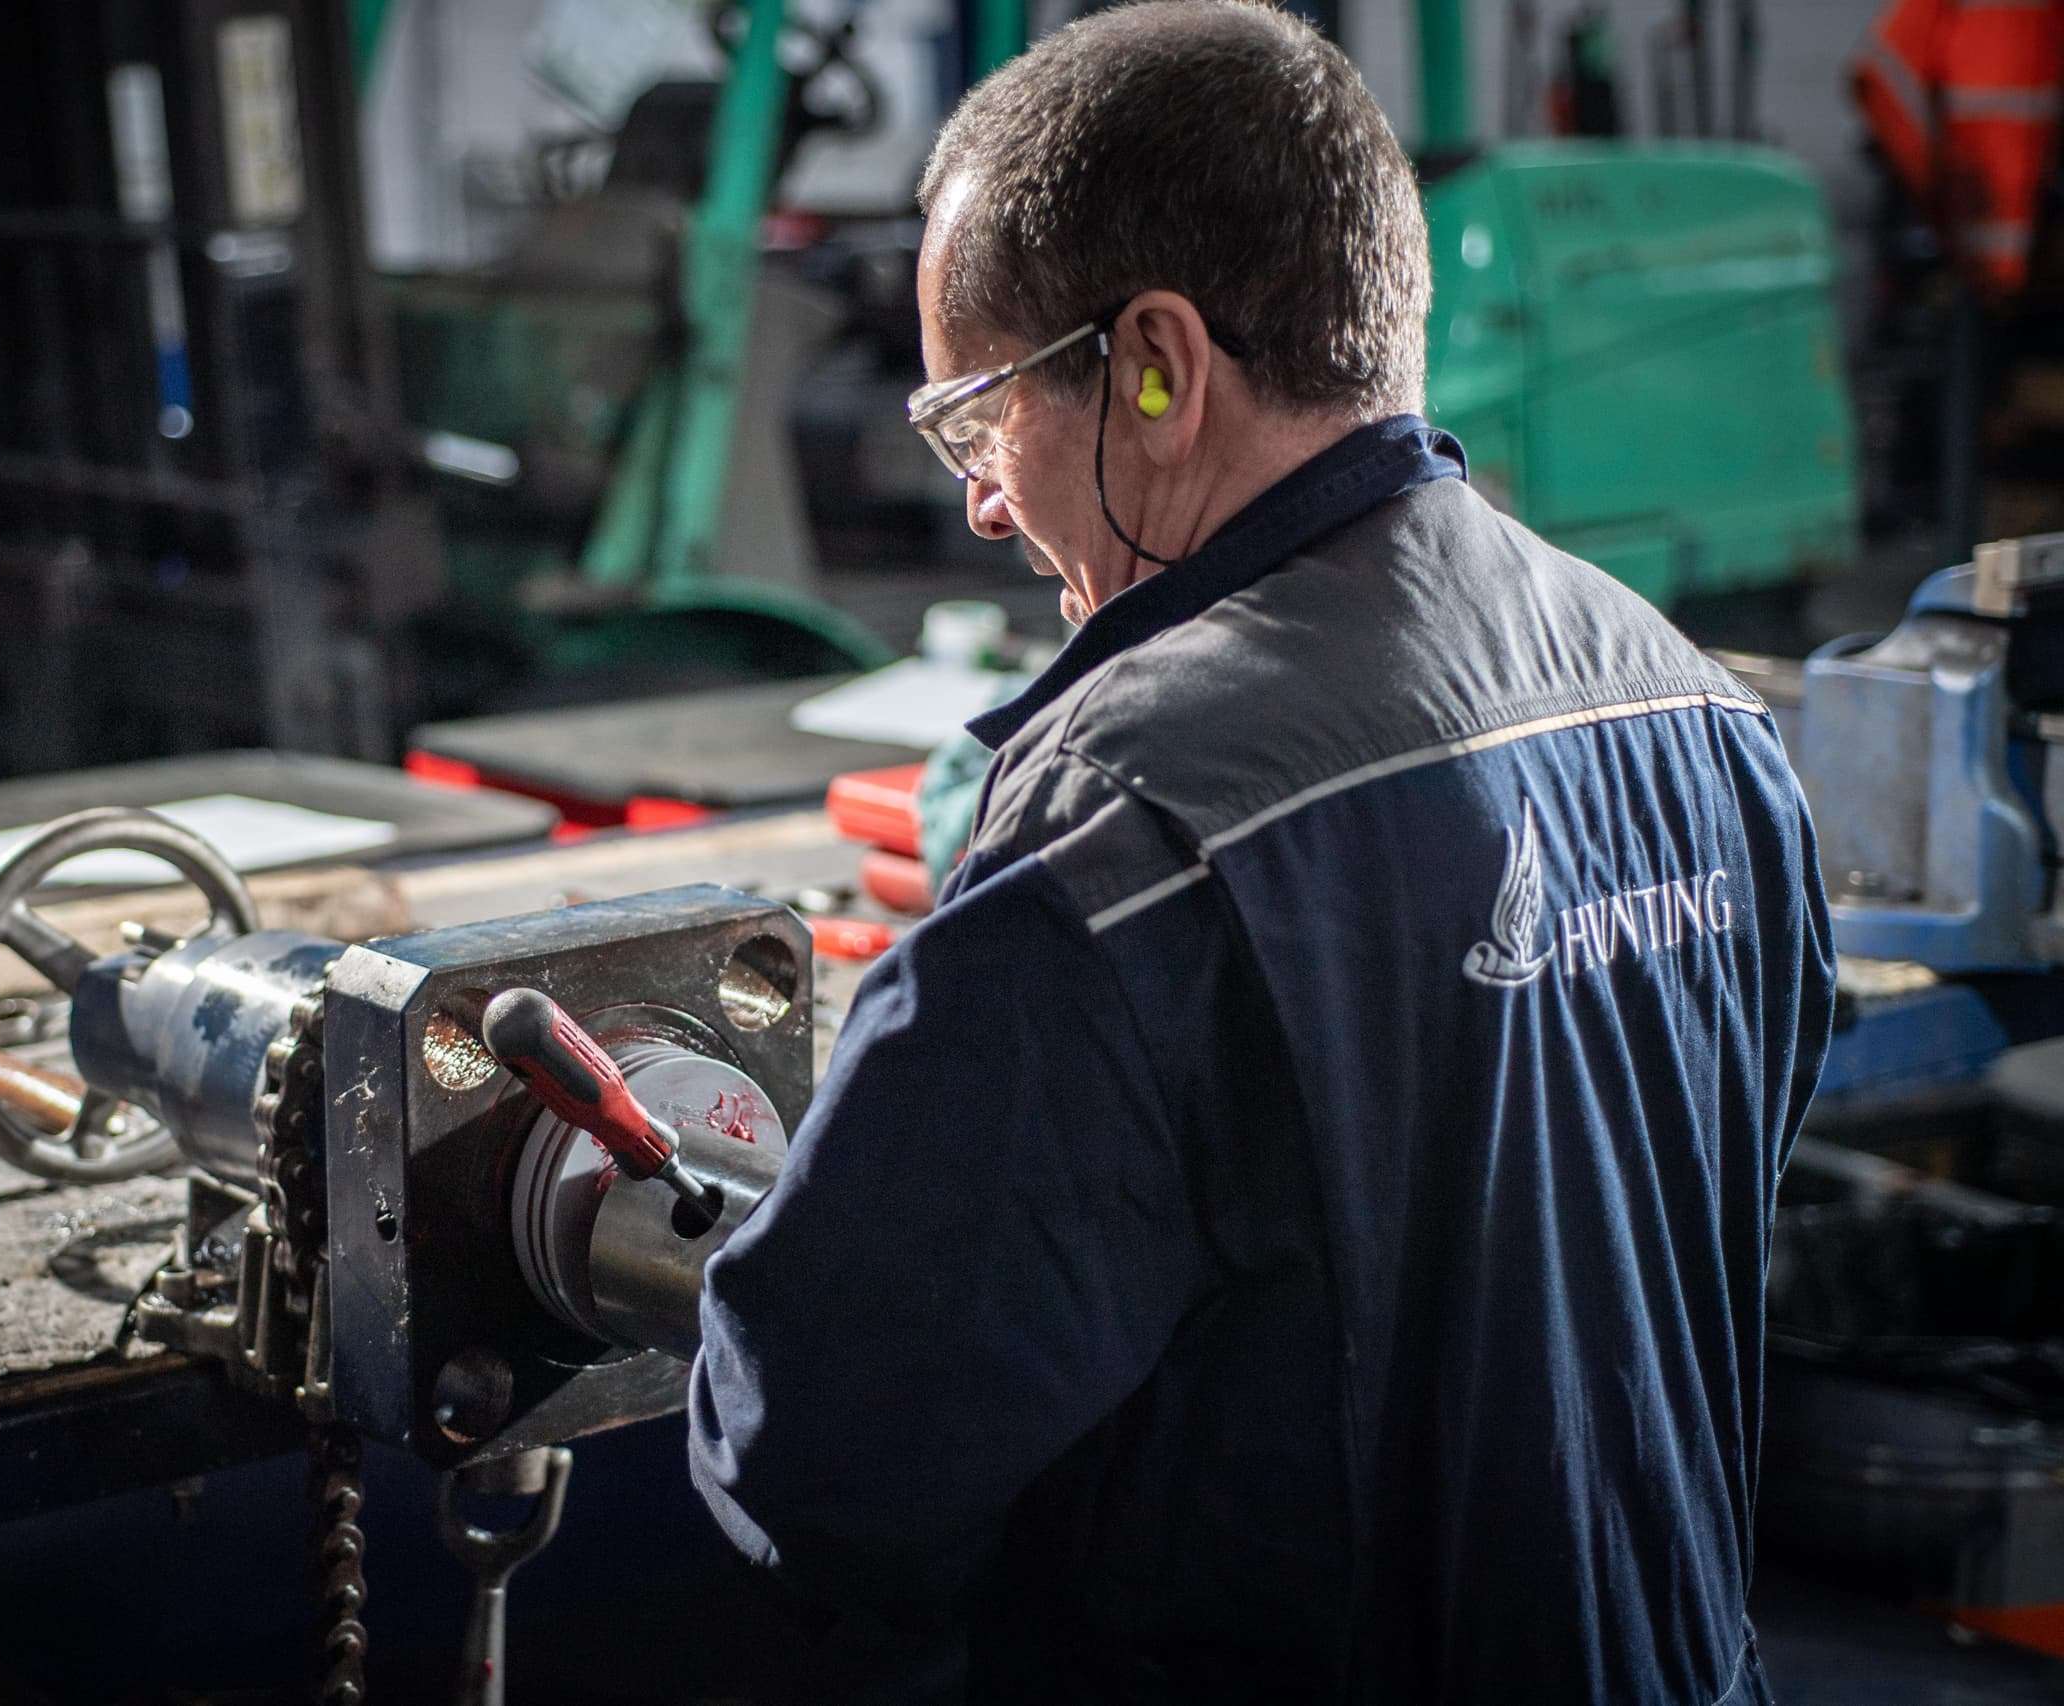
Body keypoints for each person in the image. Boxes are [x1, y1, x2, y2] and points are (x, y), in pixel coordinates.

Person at [686, 4, 1835, 1702]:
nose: (985, 507)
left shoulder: (1134, 815)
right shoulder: (1696, 706)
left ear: (1155, 363)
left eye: (981, 417)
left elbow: (826, 1452)